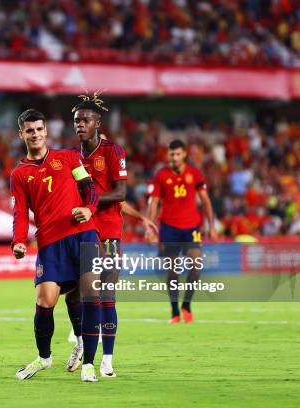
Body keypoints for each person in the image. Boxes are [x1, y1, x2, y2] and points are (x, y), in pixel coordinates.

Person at [66, 94, 157, 378]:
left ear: (98, 123)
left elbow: (119, 194)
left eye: (86, 120)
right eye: (77, 121)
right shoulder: (72, 157)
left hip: (107, 233)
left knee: (106, 295)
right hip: (81, 231)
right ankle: (82, 342)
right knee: (73, 297)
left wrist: (89, 204)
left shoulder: (112, 151)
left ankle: (107, 360)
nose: (80, 125)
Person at [11, 109, 102, 382]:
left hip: (83, 234)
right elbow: (20, 212)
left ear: (46, 131)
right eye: (30, 130)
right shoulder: (19, 174)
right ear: (22, 134)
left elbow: (91, 188)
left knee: (90, 295)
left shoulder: (69, 157)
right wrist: (18, 241)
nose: (35, 134)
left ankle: (88, 364)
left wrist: (90, 209)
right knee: (45, 300)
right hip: (50, 241)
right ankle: (44, 357)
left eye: (39, 129)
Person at [147, 139, 217, 324]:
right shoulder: (161, 175)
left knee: (195, 265)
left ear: (184, 154)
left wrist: (212, 226)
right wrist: (150, 227)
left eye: (178, 154)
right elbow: (154, 202)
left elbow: (206, 201)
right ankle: (174, 311)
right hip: (169, 228)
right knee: (173, 271)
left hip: (192, 227)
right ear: (168, 155)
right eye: (172, 154)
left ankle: (186, 304)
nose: (175, 157)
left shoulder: (195, 174)